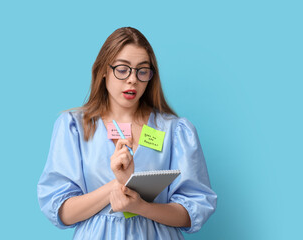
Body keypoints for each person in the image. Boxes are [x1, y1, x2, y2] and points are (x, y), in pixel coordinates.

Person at [37, 27, 217, 239]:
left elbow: (192, 212)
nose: (132, 79)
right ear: (103, 69)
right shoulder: (73, 126)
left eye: (142, 71)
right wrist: (119, 184)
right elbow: (63, 212)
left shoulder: (174, 131)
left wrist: (140, 206)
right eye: (122, 69)